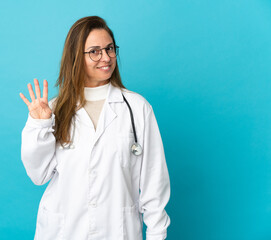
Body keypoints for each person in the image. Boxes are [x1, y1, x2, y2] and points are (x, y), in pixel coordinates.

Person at [19, 16, 171, 240]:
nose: (106, 57)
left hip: (118, 232)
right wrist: (39, 125)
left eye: (110, 49)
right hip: (65, 232)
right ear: (75, 57)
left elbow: (154, 183)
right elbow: (38, 175)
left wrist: (157, 235)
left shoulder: (137, 108)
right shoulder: (54, 110)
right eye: (94, 51)